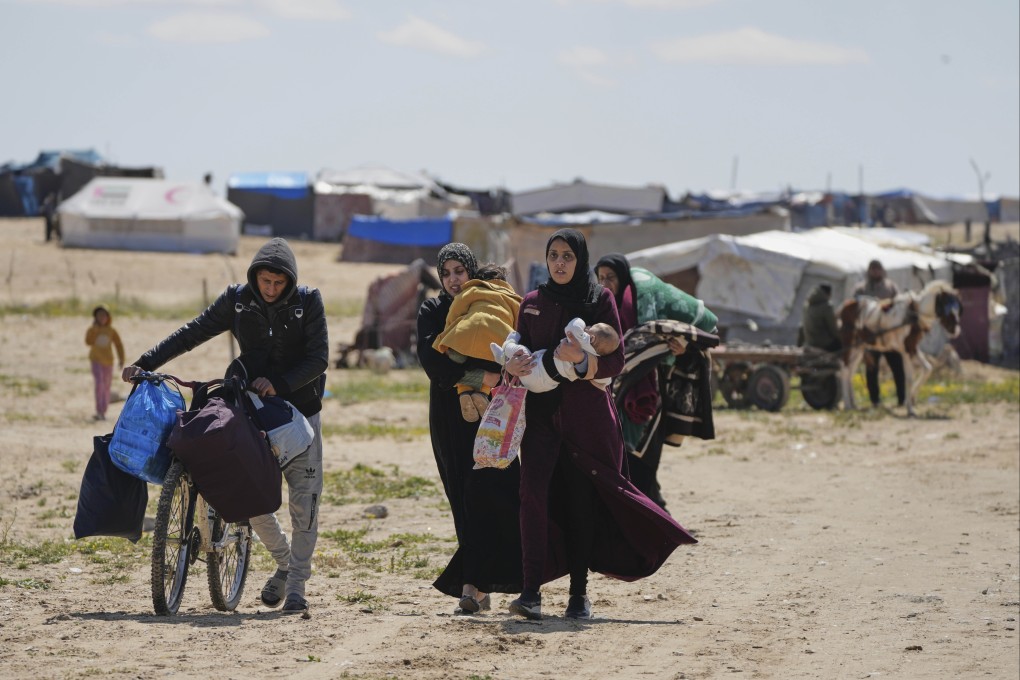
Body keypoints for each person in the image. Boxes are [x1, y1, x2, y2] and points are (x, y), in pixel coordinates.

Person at [122, 237, 328, 614]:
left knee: (305, 502)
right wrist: (146, 362)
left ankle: (297, 584)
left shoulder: (308, 302)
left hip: (302, 413)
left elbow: (319, 359)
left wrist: (280, 384)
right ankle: (285, 563)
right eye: (264, 281)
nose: (270, 290)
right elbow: (193, 332)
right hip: (254, 412)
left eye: (278, 283)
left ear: (290, 281)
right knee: (247, 491)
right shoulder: (237, 299)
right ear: (254, 277)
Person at [503, 229, 696, 621]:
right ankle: (529, 592)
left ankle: (578, 596)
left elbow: (616, 361)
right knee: (532, 498)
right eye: (553, 255)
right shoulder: (532, 301)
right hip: (540, 421)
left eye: (567, 257)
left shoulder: (598, 299)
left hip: (584, 424)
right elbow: (515, 346)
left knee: (580, 505)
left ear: (580, 260)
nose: (559, 263)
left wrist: (580, 362)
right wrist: (510, 364)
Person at [417, 243, 524, 614]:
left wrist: (493, 374)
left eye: (459, 271)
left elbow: (510, 346)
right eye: (445, 273)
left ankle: (481, 581)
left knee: (497, 491)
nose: (452, 280)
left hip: (493, 412)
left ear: (472, 271)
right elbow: (434, 363)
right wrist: (484, 373)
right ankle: (472, 585)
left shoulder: (489, 304)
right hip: (447, 414)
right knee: (462, 494)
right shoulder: (432, 310)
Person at [594, 253, 718, 510]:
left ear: (623, 277)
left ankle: (653, 513)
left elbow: (655, 335)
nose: (605, 283)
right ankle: (652, 508)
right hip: (621, 390)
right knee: (631, 460)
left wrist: (679, 347)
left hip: (652, 386)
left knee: (643, 457)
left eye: (611, 277)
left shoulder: (638, 299)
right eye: (601, 278)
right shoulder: (604, 305)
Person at [432, 263, 522, 421]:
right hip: (497, 345)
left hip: (465, 337)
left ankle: (464, 393)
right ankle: (482, 393)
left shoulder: (472, 290)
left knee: (457, 361)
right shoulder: (512, 298)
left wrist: (446, 338)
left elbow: (455, 312)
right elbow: (518, 326)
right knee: (492, 368)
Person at [491, 319, 620, 392]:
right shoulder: (596, 357)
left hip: (535, 371)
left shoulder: (583, 340)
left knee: (521, 352)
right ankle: (504, 358)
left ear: (592, 338)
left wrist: (583, 323)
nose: (588, 326)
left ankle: (507, 347)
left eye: (592, 327)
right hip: (546, 385)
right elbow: (605, 380)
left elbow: (574, 325)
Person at [853, 259, 906, 407]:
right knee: (871, 369)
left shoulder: (890, 287)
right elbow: (856, 309)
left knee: (897, 367)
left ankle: (902, 399)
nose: (876, 272)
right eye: (873, 269)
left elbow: (899, 306)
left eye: (878, 269)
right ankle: (875, 401)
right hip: (871, 337)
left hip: (889, 335)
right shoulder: (861, 289)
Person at [85, 305, 125, 421]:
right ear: (96, 317)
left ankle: (104, 410)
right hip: (96, 360)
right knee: (99, 384)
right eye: (99, 316)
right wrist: (95, 330)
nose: (102, 318)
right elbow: (88, 342)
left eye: (104, 315)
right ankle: (99, 411)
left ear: (108, 317)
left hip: (108, 361)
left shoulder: (111, 331)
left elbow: (118, 345)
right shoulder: (92, 329)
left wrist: (121, 359)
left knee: (106, 386)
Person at [798, 283, 842, 352]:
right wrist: (839, 338)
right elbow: (833, 328)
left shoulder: (807, 305)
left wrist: (799, 344)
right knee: (842, 346)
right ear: (828, 294)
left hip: (809, 343)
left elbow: (801, 327)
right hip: (823, 344)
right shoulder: (827, 306)